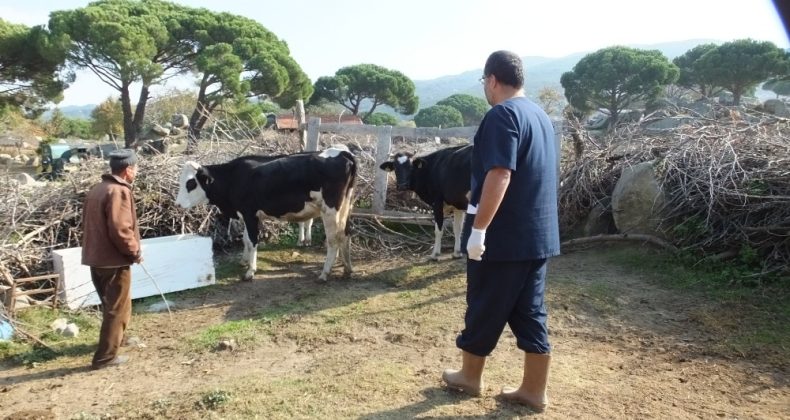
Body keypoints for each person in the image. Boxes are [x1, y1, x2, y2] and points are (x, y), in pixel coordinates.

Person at [442, 50, 560, 412]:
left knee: (483, 304)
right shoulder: (539, 115)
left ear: (492, 79)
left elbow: (501, 173)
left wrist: (479, 229)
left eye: (484, 82)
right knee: (530, 311)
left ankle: (469, 377)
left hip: (502, 236)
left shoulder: (501, 115)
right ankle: (533, 391)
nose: (485, 89)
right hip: (536, 235)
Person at [81, 149, 142, 369]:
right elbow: (120, 229)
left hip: (95, 257)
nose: (136, 172)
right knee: (117, 307)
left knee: (113, 305)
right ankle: (105, 358)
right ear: (128, 170)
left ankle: (118, 340)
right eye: (135, 168)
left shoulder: (98, 189)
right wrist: (133, 251)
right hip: (113, 260)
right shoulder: (119, 191)